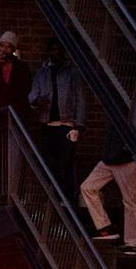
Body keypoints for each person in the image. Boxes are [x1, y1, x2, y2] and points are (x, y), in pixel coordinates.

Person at [79, 123, 136, 257]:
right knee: (87, 187)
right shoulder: (117, 109)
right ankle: (105, 228)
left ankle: (133, 244)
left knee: (130, 202)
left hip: (127, 161)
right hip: (109, 159)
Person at [28, 41, 85, 188]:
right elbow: (32, 96)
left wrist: (79, 124)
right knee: (49, 163)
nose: (56, 53)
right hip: (48, 124)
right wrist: (38, 100)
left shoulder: (71, 72)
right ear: (48, 52)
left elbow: (80, 98)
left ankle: (66, 196)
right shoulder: (42, 73)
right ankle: (53, 194)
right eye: (53, 49)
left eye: (59, 50)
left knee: (66, 163)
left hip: (67, 124)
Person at [0, 30, 32, 118]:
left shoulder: (22, 67)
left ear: (13, 50)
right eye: (2, 45)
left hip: (16, 115)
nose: (4, 50)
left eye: (8, 47)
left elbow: (25, 91)